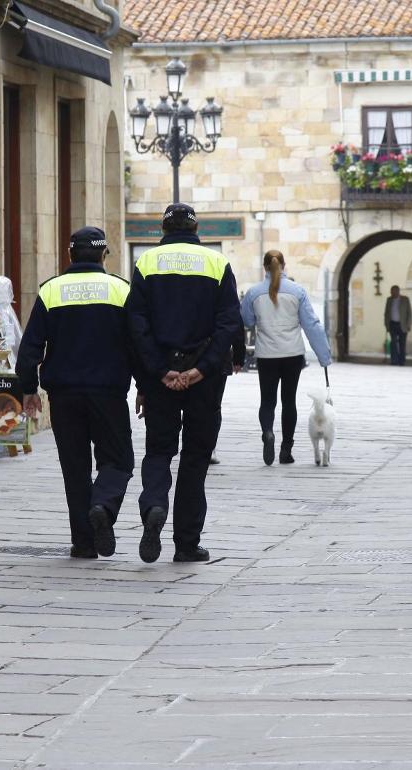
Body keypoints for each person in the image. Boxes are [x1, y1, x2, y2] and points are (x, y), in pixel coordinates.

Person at [127, 202, 242, 563]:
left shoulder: (146, 263)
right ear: (196, 230)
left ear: (163, 229)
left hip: (160, 376)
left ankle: (154, 506)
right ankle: (187, 543)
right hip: (205, 380)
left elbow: (136, 324)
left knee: (159, 451)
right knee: (196, 458)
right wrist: (202, 369)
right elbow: (229, 322)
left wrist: (158, 371)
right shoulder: (216, 264)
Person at [16, 226, 134, 559]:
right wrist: (145, 388)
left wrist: (28, 389)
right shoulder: (121, 290)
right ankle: (103, 505)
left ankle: (84, 543)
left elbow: (30, 349)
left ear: (70, 254)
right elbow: (137, 344)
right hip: (109, 393)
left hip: (64, 396)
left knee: (75, 468)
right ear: (103, 255)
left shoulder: (52, 291)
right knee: (119, 460)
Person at [240, 249, 333, 465]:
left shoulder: (254, 293)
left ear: (265, 267)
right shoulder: (297, 291)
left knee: (267, 400)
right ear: (284, 266)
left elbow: (246, 320)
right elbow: (312, 325)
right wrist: (324, 356)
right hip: (292, 353)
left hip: (266, 354)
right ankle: (286, 450)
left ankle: (267, 432)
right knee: (288, 401)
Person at [208, 326, 247, 465]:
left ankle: (192, 443)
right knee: (214, 406)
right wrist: (238, 356)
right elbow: (234, 322)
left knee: (190, 405)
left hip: (187, 356)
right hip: (219, 357)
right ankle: (210, 446)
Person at [383, 284, 412, 365]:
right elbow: (386, 313)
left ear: (398, 291)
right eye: (391, 291)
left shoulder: (405, 299)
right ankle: (394, 360)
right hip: (392, 324)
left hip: (402, 325)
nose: (392, 293)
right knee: (393, 343)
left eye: (394, 291)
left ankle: (402, 360)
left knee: (402, 343)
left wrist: (409, 324)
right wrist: (386, 324)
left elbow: (409, 313)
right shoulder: (389, 300)